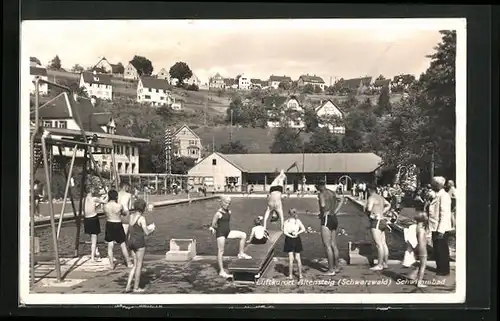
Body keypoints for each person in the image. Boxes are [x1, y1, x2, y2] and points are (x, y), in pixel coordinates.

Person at [209, 196, 251, 278]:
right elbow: (213, 224)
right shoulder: (218, 214)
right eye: (226, 203)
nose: (227, 205)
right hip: (220, 234)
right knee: (221, 251)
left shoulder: (229, 212)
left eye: (229, 203)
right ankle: (221, 271)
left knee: (243, 235)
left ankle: (241, 253)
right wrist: (213, 229)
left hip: (228, 232)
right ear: (222, 202)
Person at [125, 198, 155, 293]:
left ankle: (128, 285)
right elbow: (146, 232)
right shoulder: (141, 218)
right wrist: (152, 229)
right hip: (139, 243)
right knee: (139, 265)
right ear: (143, 208)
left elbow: (130, 230)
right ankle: (136, 288)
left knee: (134, 264)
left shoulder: (131, 216)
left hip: (131, 242)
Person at [317, 179, 344, 275]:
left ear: (319, 186)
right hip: (334, 218)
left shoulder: (321, 194)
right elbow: (341, 199)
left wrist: (322, 213)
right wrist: (335, 210)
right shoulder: (332, 192)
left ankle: (331, 270)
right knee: (334, 244)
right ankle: (336, 267)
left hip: (327, 218)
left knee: (327, 246)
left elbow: (323, 205)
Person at [428, 176, 453, 276]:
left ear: (438, 185)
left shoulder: (444, 196)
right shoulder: (437, 195)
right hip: (435, 226)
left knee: (441, 249)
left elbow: (444, 214)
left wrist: (441, 230)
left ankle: (443, 269)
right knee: (437, 249)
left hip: (440, 228)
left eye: (433, 184)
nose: (431, 186)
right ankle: (440, 268)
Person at [103, 189, 132, 270]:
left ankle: (111, 265)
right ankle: (129, 263)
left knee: (110, 245)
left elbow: (105, 213)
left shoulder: (105, 206)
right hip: (117, 224)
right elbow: (124, 213)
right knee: (122, 244)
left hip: (109, 224)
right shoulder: (119, 206)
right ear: (116, 197)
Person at [365, 184, 392, 271]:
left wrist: (367, 212)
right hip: (382, 220)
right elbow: (388, 205)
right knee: (384, 243)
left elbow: (369, 209)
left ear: (369, 190)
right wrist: (382, 212)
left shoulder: (371, 197)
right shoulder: (380, 197)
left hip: (376, 221)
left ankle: (379, 265)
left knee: (379, 245)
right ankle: (385, 263)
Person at [411, 193, 430, 288]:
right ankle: (419, 282)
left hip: (417, 248)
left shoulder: (417, 227)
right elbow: (422, 241)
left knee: (419, 264)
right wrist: (425, 250)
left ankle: (414, 276)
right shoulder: (422, 230)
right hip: (422, 249)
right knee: (423, 265)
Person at [83, 185, 107, 262]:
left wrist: (99, 202)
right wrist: (106, 196)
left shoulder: (84, 199)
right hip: (93, 219)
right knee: (94, 239)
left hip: (86, 219)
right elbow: (105, 202)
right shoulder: (94, 198)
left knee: (92, 238)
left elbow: (92, 206)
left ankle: (96, 252)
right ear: (91, 190)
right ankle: (93, 257)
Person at [283, 208, 306, 280]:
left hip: (289, 239)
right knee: (298, 258)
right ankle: (300, 275)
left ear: (289, 214)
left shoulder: (286, 221)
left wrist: (291, 236)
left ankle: (290, 275)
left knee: (291, 258)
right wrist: (296, 233)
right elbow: (303, 229)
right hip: (297, 238)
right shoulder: (297, 221)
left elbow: (285, 232)